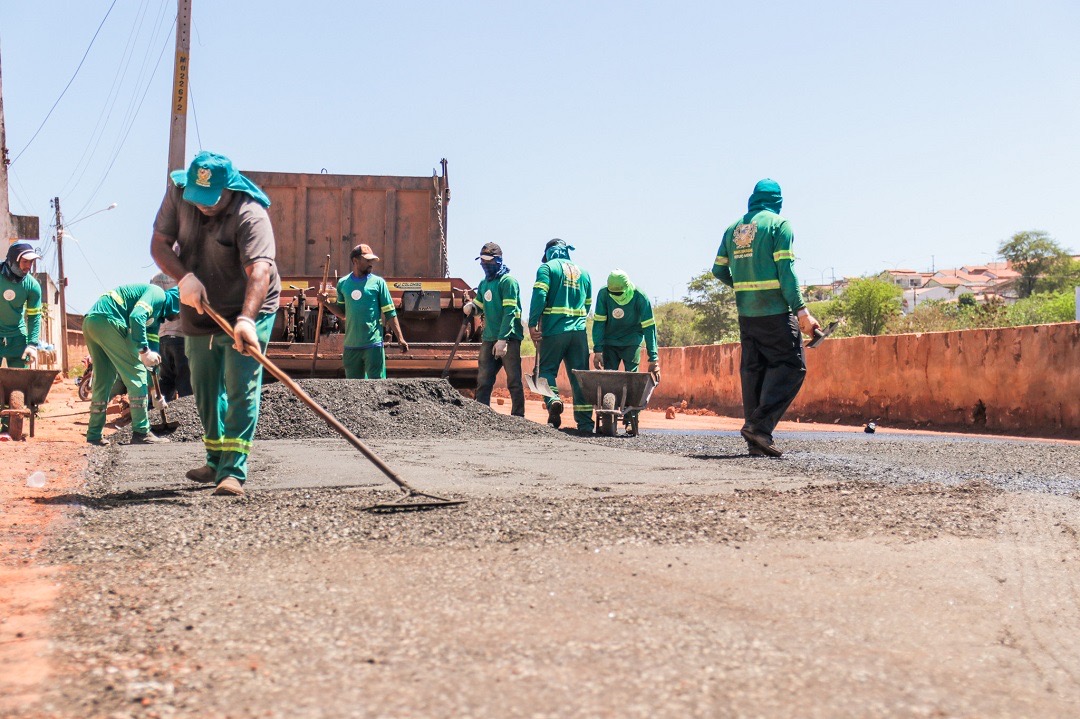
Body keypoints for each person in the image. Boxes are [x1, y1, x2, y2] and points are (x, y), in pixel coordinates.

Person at [150, 150, 281, 497]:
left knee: (240, 386)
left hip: (250, 308)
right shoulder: (179, 193)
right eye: (199, 198)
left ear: (229, 189)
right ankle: (215, 458)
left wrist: (246, 321)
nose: (204, 205)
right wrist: (183, 278)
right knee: (205, 388)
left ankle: (233, 471)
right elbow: (159, 244)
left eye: (212, 200)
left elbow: (260, 272)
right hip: (200, 303)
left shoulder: (250, 212)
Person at [712, 178, 820, 457]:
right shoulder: (779, 225)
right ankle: (759, 428)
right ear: (778, 201)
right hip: (774, 312)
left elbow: (719, 270)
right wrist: (802, 310)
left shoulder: (732, 228)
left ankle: (755, 442)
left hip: (747, 315)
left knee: (753, 372)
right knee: (792, 367)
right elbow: (787, 271)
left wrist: (745, 285)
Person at [83, 283, 181, 446]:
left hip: (92, 322)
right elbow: (136, 317)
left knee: (105, 379)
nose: (178, 318)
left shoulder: (156, 316)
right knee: (137, 375)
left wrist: (154, 391)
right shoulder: (158, 294)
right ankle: (141, 432)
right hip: (110, 320)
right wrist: (143, 351)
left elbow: (153, 353)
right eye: (181, 312)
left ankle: (94, 434)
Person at [527, 238, 593, 432]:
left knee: (546, 371)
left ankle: (553, 400)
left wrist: (532, 323)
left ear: (548, 252)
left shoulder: (547, 268)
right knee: (580, 377)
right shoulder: (585, 273)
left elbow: (539, 296)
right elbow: (587, 303)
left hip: (554, 330)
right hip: (579, 333)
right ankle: (586, 424)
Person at [318, 243, 409, 379]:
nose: (371, 264)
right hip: (351, 347)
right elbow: (342, 313)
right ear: (355, 261)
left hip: (373, 346)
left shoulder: (379, 283)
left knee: (377, 388)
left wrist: (400, 338)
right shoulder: (343, 284)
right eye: (367, 260)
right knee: (354, 392)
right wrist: (326, 303)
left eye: (372, 261)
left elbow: (390, 312)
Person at [464, 242, 524, 416]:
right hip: (489, 337)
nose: (484, 264)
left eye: (488, 260)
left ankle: (518, 416)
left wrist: (503, 339)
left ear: (498, 260)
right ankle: (482, 415)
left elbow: (510, 312)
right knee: (483, 380)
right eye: (482, 260)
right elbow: (480, 305)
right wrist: (472, 307)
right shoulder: (485, 284)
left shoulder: (508, 282)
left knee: (513, 381)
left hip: (509, 339)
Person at [590, 269, 660, 379]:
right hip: (610, 342)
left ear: (627, 288)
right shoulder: (604, 294)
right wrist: (598, 350)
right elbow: (599, 322)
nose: (617, 296)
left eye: (620, 293)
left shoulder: (640, 296)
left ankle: (631, 396)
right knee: (609, 378)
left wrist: (653, 359)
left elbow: (649, 327)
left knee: (631, 377)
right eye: (613, 293)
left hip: (632, 341)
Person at [0, 242, 43, 369]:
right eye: (25, 262)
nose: (29, 266)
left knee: (19, 382)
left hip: (17, 339)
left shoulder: (32, 286)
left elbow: (34, 316)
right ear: (13, 260)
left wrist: (32, 345)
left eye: (31, 262)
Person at [150, 272, 192, 400]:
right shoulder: (183, 273)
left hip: (161, 336)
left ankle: (155, 414)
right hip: (181, 336)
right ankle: (189, 416)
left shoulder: (155, 278)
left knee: (165, 381)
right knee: (186, 383)